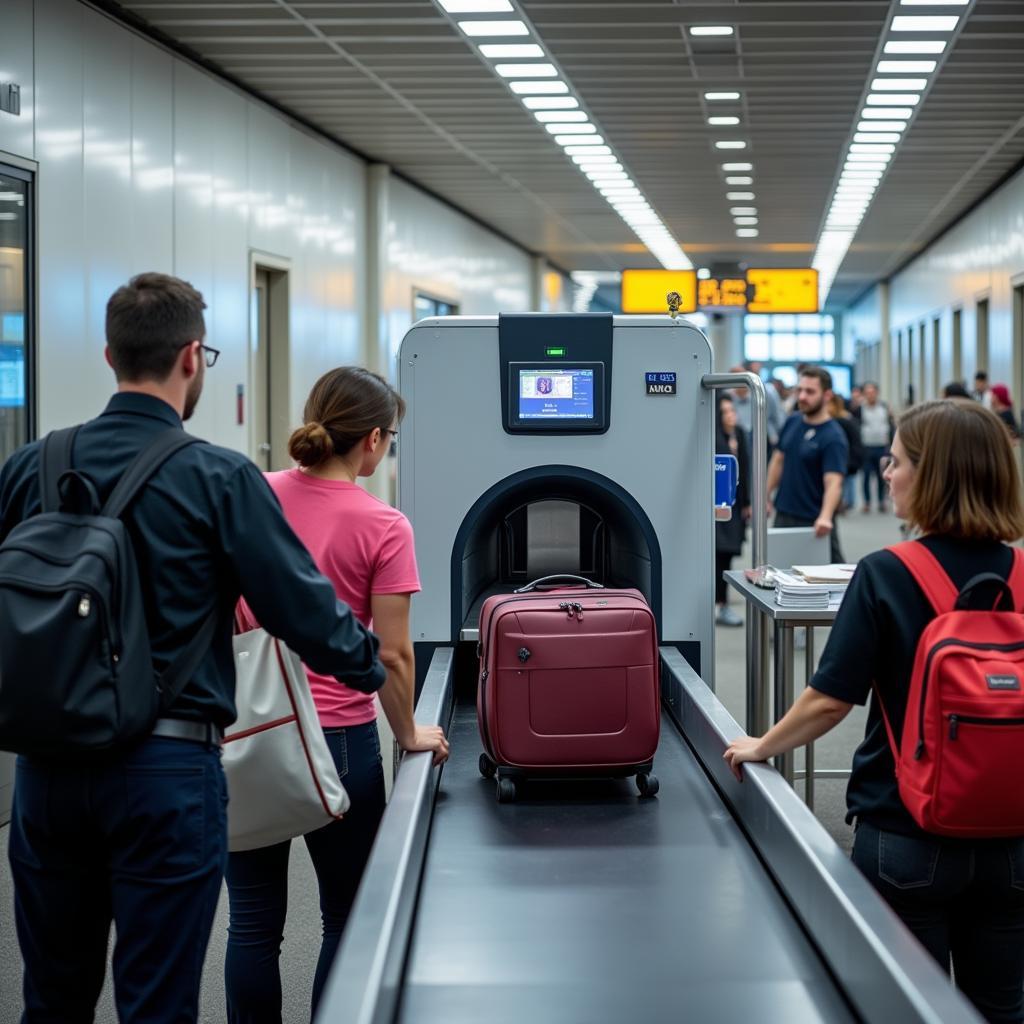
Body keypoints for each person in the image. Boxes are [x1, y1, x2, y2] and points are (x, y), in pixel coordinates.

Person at [0, 273, 386, 1024]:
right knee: (158, 998)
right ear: (191, 358)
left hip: (45, 773)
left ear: (110, 354)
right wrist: (367, 665)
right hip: (166, 771)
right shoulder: (216, 477)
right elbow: (302, 611)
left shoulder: (29, 468)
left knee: (51, 995)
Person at [724, 398, 1024, 1023]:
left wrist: (762, 745)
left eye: (898, 461)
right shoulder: (1021, 574)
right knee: (1002, 1007)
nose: (886, 473)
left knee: (900, 1004)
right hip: (1013, 840)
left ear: (933, 475)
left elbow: (831, 700)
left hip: (907, 831)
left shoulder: (887, 572)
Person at [225, 367, 450, 1023]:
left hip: (250, 732)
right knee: (348, 916)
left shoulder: (251, 497)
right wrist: (408, 733)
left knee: (252, 925)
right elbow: (392, 654)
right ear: (374, 441)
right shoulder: (383, 525)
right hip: (342, 743)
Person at [766, 366, 848, 564]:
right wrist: (764, 496)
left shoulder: (833, 436)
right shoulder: (793, 421)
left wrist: (826, 516)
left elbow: (834, 482)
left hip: (814, 521)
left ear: (827, 395)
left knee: (827, 579)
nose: (802, 396)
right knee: (780, 572)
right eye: (799, 390)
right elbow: (778, 461)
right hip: (784, 514)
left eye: (810, 392)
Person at [714, 395, 750, 627]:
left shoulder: (740, 434)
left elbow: (746, 470)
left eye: (732, 411)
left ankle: (722, 604)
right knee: (716, 555)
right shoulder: (711, 436)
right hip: (715, 507)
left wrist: (748, 502)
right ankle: (718, 603)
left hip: (734, 506)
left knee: (726, 555)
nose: (731, 416)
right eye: (725, 412)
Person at [858, 381, 893, 513]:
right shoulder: (860, 408)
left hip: (881, 446)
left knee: (881, 476)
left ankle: (881, 501)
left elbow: (890, 426)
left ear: (877, 393)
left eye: (872, 392)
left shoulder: (884, 407)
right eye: (867, 393)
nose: (870, 395)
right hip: (866, 446)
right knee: (866, 475)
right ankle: (866, 502)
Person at [828, 393, 863, 514]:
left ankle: (845, 503)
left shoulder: (846, 421)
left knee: (845, 483)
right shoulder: (829, 421)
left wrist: (854, 459)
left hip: (846, 458)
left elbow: (854, 441)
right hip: (839, 458)